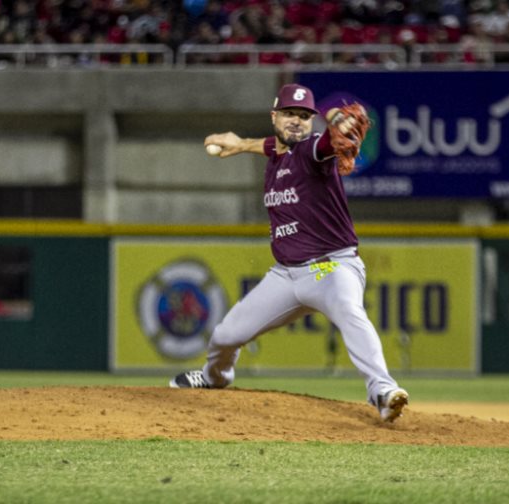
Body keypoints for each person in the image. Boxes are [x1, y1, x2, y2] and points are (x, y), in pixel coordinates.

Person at [169, 83, 410, 422]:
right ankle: (214, 378)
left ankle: (383, 391)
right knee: (225, 336)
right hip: (285, 275)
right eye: (289, 114)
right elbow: (272, 145)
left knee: (348, 310)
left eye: (303, 115)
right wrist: (239, 144)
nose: (297, 121)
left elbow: (326, 142)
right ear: (274, 116)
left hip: (330, 269)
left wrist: (337, 123)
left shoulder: (314, 149)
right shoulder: (276, 151)